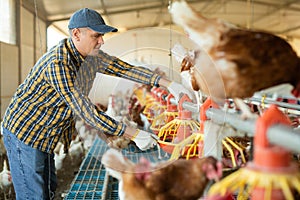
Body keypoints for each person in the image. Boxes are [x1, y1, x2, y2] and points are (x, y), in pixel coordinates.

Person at [0, 8, 194, 199]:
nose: (101, 41)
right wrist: (134, 133)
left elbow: (124, 69)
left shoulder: (91, 57)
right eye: (96, 36)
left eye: (102, 36)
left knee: (49, 187)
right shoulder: (58, 64)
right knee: (33, 194)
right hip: (25, 132)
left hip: (47, 133)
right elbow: (86, 111)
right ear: (76, 34)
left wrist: (168, 84)